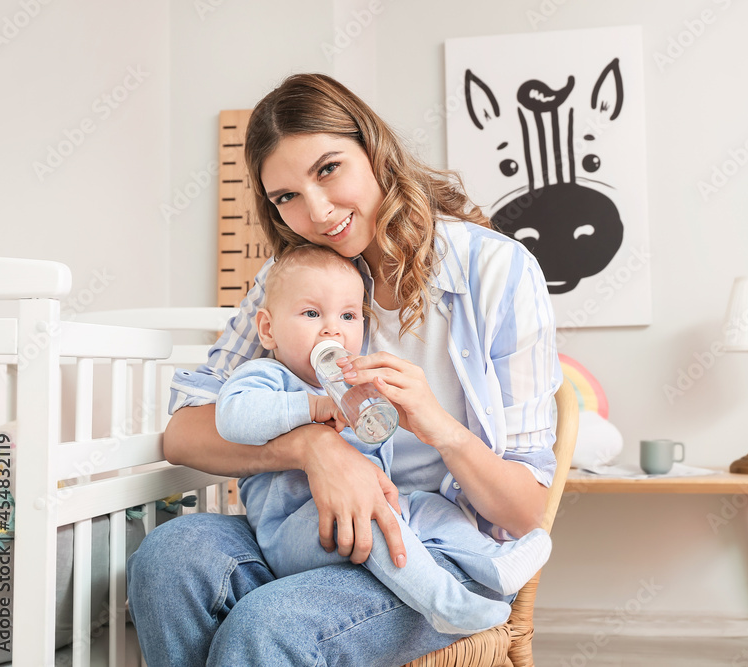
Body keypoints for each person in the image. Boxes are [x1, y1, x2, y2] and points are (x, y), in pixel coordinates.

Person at [126, 72, 561, 667]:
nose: (319, 211)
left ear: (374, 150)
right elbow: (184, 431)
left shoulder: (497, 272)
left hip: (432, 550)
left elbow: (524, 511)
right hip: (309, 531)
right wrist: (314, 448)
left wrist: (438, 425)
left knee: (268, 627)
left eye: (328, 169)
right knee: (169, 556)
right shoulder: (291, 283)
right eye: (286, 197)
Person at [214, 243, 551, 635]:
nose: (332, 329)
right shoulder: (267, 377)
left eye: (348, 315)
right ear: (268, 330)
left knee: (429, 505)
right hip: (293, 532)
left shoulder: (353, 388)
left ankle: (492, 561)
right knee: (374, 515)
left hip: (376, 509)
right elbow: (232, 417)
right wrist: (312, 407)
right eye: (311, 314)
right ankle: (445, 605)